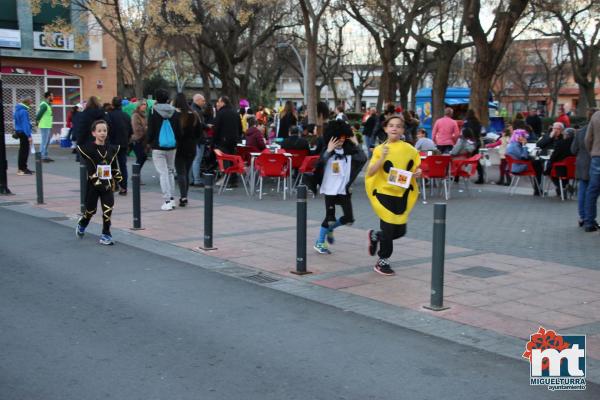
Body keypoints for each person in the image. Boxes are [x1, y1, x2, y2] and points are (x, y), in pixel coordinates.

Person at [366, 114, 422, 276]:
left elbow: (416, 167)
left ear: (403, 130)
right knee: (389, 231)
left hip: (402, 194)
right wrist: (382, 158)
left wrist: (418, 172)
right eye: (391, 125)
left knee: (400, 231)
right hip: (384, 193)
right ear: (385, 128)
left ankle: (376, 235)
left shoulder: (410, 150)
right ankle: (382, 261)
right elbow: (370, 172)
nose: (394, 128)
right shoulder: (379, 149)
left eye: (398, 126)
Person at [313, 120, 366, 254]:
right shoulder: (327, 151)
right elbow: (319, 165)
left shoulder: (349, 150)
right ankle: (319, 242)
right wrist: (329, 150)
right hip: (330, 190)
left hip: (343, 190)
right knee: (329, 217)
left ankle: (330, 229)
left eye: (343, 138)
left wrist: (356, 143)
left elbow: (363, 158)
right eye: (338, 138)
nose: (341, 141)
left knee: (349, 219)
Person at [76, 119, 123, 245]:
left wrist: (119, 179)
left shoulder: (111, 149)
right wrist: (99, 184)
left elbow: (114, 165)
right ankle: (82, 223)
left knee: (108, 210)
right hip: (94, 186)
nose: (102, 133)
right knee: (91, 211)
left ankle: (105, 234)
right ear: (94, 133)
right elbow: (91, 172)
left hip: (107, 185)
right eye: (99, 131)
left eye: (105, 130)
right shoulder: (89, 150)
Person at [147, 89, 181, 211]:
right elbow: (178, 130)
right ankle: (172, 199)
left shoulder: (152, 111)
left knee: (163, 173)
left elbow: (150, 130)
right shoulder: (175, 112)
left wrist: (149, 142)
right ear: (168, 99)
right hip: (172, 146)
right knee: (171, 171)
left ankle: (167, 200)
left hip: (158, 146)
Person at [174, 93, 202, 207]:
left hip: (179, 147)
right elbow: (199, 132)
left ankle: (183, 196)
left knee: (181, 172)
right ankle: (185, 195)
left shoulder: (175, 115)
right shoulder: (194, 115)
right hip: (191, 147)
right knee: (187, 171)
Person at [571, 110, 594, 228]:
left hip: (581, 163)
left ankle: (582, 216)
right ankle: (589, 218)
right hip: (593, 162)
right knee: (592, 192)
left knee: (583, 190)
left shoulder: (579, 132)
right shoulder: (596, 131)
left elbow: (573, 150)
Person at [107, 97, 133, 195]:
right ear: (121, 105)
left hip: (112, 144)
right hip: (123, 144)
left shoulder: (109, 115)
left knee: (110, 166)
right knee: (123, 166)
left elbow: (106, 130)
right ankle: (124, 187)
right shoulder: (126, 116)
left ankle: (113, 185)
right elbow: (131, 131)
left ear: (112, 105)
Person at [506, 129, 543, 196]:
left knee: (537, 164)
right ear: (519, 137)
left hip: (515, 166)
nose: (525, 138)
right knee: (538, 165)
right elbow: (524, 157)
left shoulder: (512, 144)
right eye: (523, 136)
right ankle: (537, 189)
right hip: (518, 167)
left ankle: (537, 188)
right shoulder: (516, 146)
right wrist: (524, 145)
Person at [584, 110, 600, 232]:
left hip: (597, 157)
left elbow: (587, 139)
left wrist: (592, 152)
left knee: (592, 191)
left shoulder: (596, 116)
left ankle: (589, 222)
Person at [189, 93, 208, 187]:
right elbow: (200, 125)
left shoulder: (191, 109)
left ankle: (191, 179)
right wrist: (207, 126)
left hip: (192, 138)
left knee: (193, 159)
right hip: (198, 138)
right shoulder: (197, 111)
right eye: (203, 100)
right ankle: (196, 179)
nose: (204, 102)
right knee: (197, 159)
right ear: (197, 100)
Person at [463, 109, 485, 183]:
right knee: (476, 160)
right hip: (477, 142)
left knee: (463, 158)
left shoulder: (466, 122)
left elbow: (464, 132)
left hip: (468, 143)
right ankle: (481, 176)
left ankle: (460, 175)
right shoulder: (478, 122)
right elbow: (483, 132)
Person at [13, 98, 33, 175]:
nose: (31, 103)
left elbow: (18, 122)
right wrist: (29, 136)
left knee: (22, 151)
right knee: (24, 151)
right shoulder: (24, 111)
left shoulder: (17, 110)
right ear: (27, 102)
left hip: (19, 132)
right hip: (24, 133)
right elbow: (25, 124)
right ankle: (22, 169)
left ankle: (22, 167)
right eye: (30, 101)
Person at [36, 91, 54, 162]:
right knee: (44, 141)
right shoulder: (44, 105)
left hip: (47, 125)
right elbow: (38, 115)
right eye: (52, 96)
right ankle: (41, 156)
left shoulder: (48, 104)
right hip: (44, 125)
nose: (53, 97)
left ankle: (45, 155)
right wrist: (37, 122)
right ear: (48, 96)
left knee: (47, 141)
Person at [130, 100, 148, 171]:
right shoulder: (135, 115)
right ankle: (136, 176)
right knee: (141, 157)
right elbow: (137, 129)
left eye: (145, 104)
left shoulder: (144, 115)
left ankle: (136, 175)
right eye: (143, 104)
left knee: (143, 157)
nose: (144, 106)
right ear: (139, 106)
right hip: (137, 140)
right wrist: (146, 129)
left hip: (144, 140)